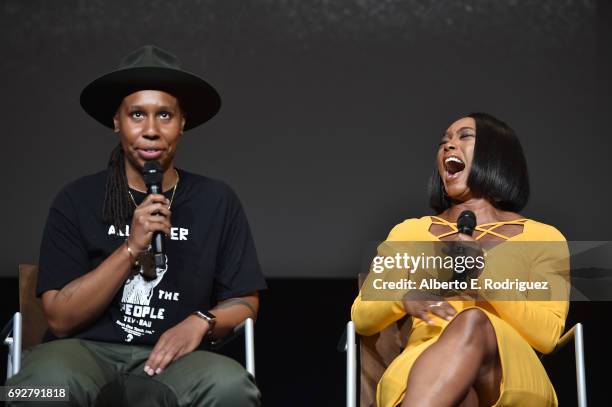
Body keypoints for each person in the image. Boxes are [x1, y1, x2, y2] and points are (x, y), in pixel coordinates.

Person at [7, 45, 267, 406]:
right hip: (83, 352)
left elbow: (245, 302)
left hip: (176, 359)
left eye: (164, 114)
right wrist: (131, 247)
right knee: (35, 387)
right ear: (117, 121)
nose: (150, 130)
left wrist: (201, 321)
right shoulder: (76, 198)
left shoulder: (216, 200)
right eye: (136, 115)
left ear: (182, 122)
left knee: (230, 386)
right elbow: (60, 318)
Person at [351, 113, 570, 407]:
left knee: (474, 322)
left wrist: (483, 278)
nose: (448, 146)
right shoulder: (411, 232)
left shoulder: (544, 237)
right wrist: (402, 298)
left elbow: (547, 335)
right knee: (460, 396)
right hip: (422, 367)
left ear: (497, 155)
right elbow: (361, 316)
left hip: (509, 372)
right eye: (444, 141)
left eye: (464, 136)